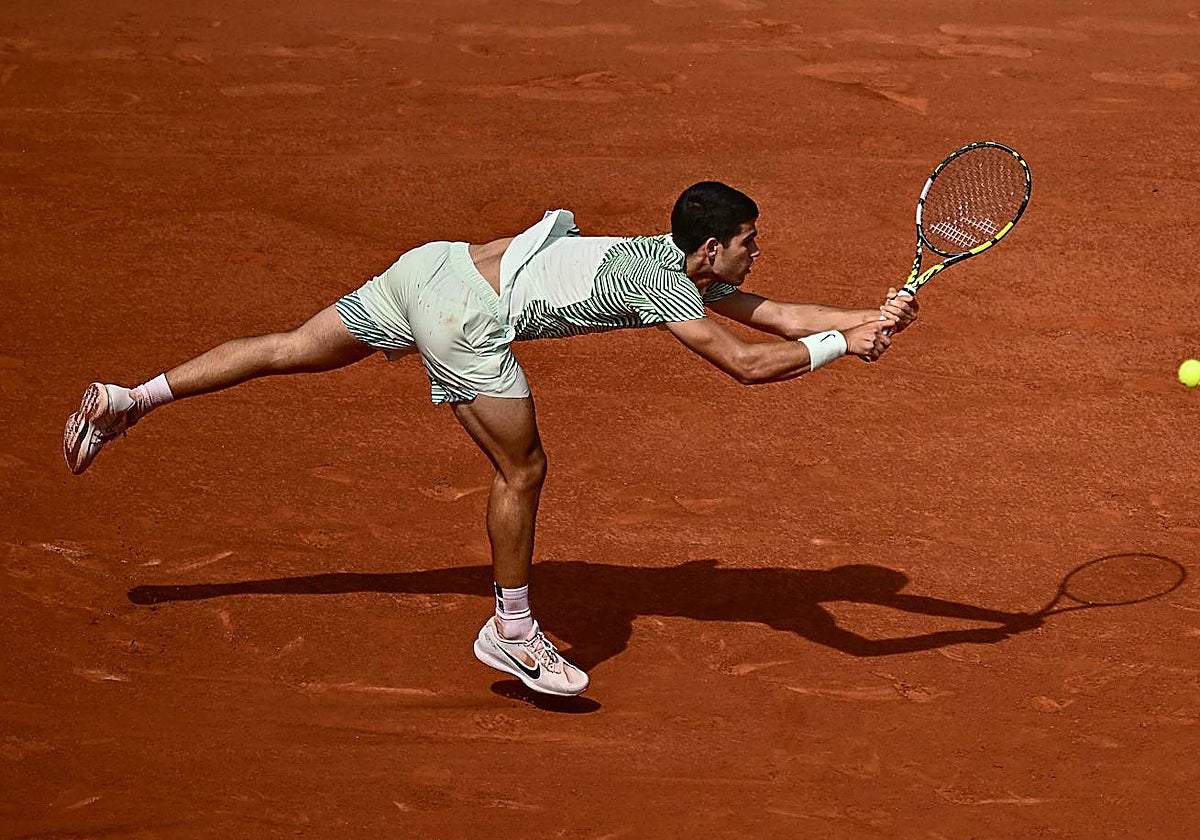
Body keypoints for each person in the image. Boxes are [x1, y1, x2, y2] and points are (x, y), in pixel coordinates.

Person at [63, 181, 917, 697]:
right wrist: (844, 347)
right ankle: (510, 631)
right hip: (464, 319)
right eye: (748, 243)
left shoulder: (666, 261)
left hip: (431, 266)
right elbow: (749, 364)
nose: (755, 253)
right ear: (708, 248)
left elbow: (766, 314)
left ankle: (128, 399)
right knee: (524, 469)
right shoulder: (669, 288)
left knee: (290, 348)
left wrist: (866, 318)